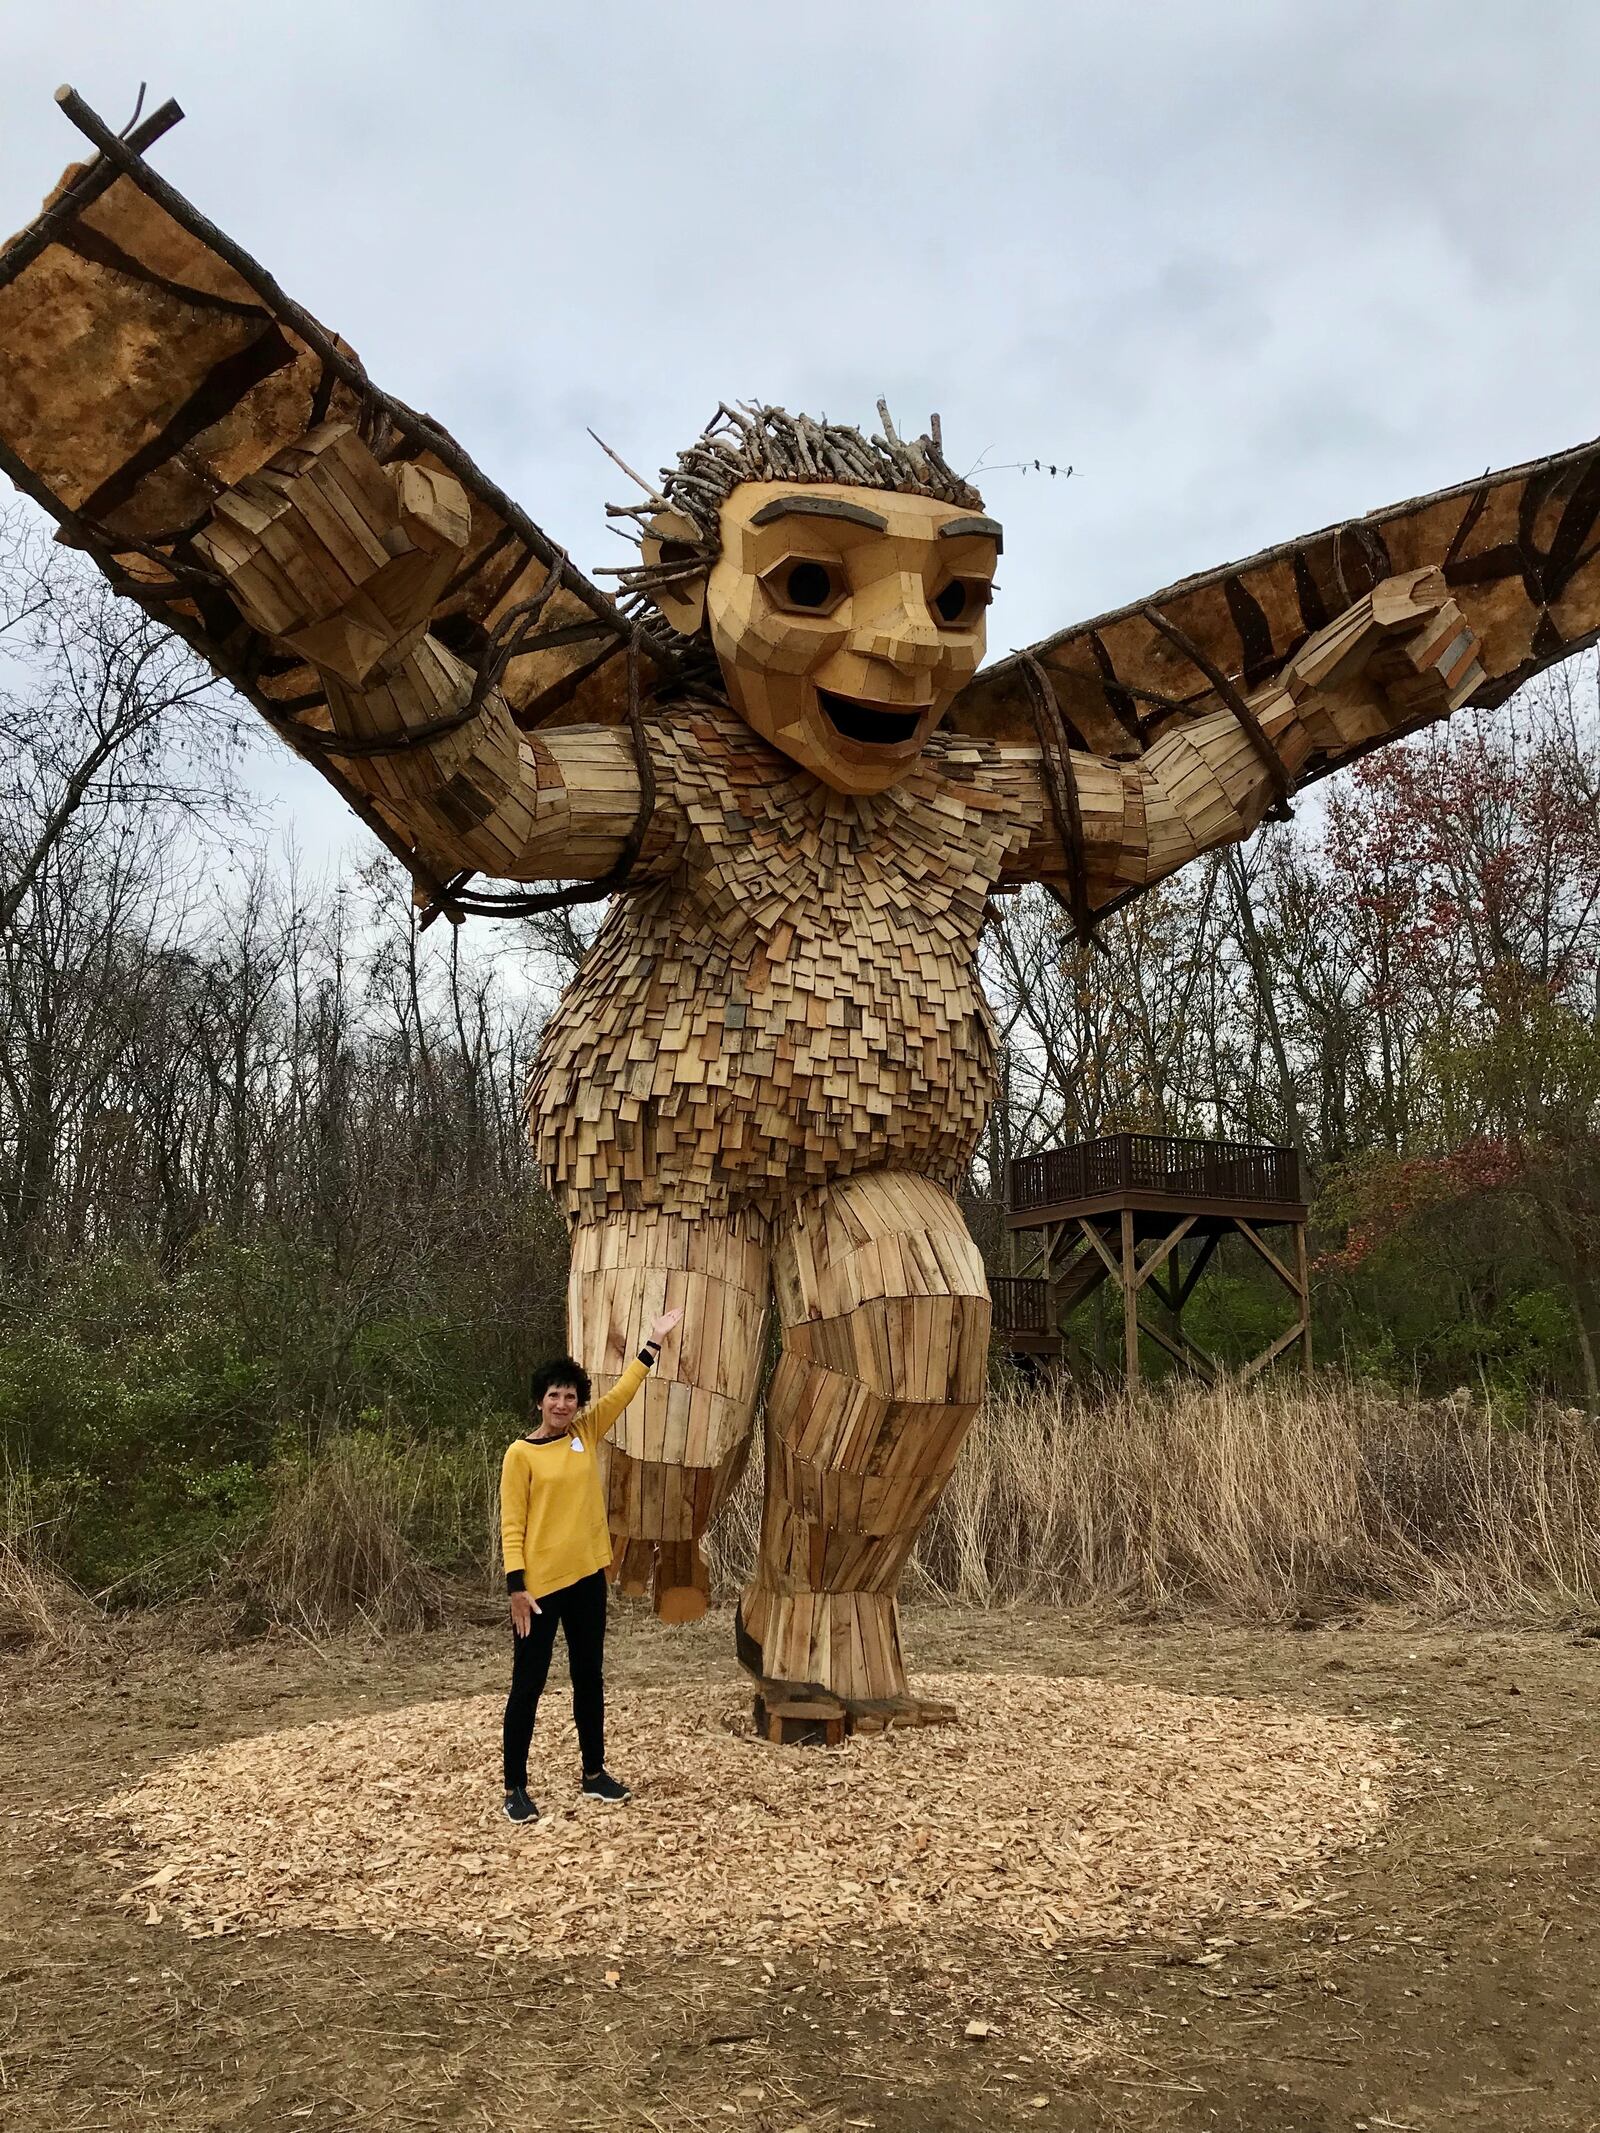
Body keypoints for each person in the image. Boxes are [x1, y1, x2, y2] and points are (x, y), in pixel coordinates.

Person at [499, 1306, 684, 1823]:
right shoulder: (521, 1455)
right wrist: (516, 1587)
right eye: (554, 1395)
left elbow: (624, 1391)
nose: (562, 1403)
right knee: (528, 1685)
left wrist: (652, 1343)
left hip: (587, 1579)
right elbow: (512, 1525)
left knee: (589, 1677)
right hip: (538, 1589)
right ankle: (515, 1787)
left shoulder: (586, 1431)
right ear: (540, 1400)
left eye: (570, 1395)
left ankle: (594, 1773)